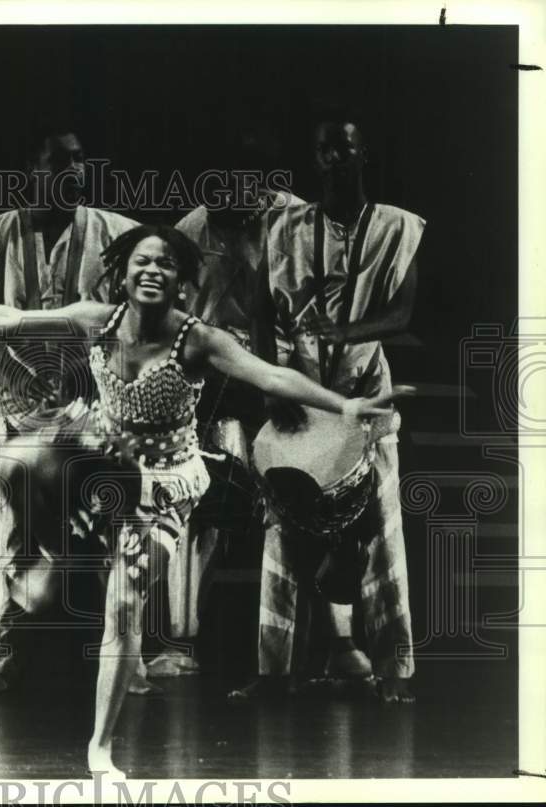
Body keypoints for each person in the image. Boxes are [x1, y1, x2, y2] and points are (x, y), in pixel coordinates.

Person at [0, 223, 409, 776]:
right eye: (142, 261)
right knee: (27, 458)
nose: (152, 271)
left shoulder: (198, 340)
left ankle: (100, 748)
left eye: (166, 264)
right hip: (106, 459)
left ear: (182, 283)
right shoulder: (99, 319)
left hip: (163, 489)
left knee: (122, 611)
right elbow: (11, 319)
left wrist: (344, 406)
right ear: (121, 273)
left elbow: (272, 374)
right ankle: (53, 556)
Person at [233, 114, 423, 704]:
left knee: (384, 535)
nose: (334, 159)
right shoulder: (285, 222)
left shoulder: (397, 226)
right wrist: (272, 392)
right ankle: (272, 674)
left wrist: (341, 328)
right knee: (282, 534)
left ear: (362, 153)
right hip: (298, 386)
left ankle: (394, 673)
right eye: (324, 151)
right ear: (314, 161)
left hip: (365, 391)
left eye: (344, 148)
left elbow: (401, 314)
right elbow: (263, 312)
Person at [0, 125, 141, 694]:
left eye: (80, 160)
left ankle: (126, 658)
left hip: (92, 399)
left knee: (113, 521)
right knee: (10, 529)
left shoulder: (116, 233)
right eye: (59, 161)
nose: (73, 171)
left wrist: (85, 372)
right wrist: (10, 372)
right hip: (14, 400)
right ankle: (1, 648)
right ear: (29, 170)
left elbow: (130, 314)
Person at [157, 131, 302, 679]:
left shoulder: (295, 222)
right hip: (223, 384)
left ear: (261, 189)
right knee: (200, 505)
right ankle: (181, 638)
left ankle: (307, 647)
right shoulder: (193, 230)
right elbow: (187, 322)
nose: (223, 203)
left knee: (295, 507)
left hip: (289, 375)